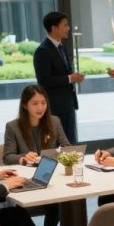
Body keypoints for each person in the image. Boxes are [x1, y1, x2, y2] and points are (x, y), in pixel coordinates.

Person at [2, 85, 71, 226]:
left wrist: (60, 153)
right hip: (26, 180)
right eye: (35, 103)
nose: (40, 107)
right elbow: (7, 156)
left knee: (58, 200)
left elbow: (66, 147)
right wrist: (23, 158)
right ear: (25, 105)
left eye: (43, 102)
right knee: (41, 205)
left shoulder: (54, 121)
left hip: (51, 176)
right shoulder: (13, 126)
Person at [33, 11, 83, 143]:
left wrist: (73, 77)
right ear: (54, 28)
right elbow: (44, 80)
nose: (68, 28)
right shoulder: (43, 51)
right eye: (65, 25)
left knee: (71, 142)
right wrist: (70, 78)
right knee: (56, 145)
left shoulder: (61, 47)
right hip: (55, 107)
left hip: (68, 104)